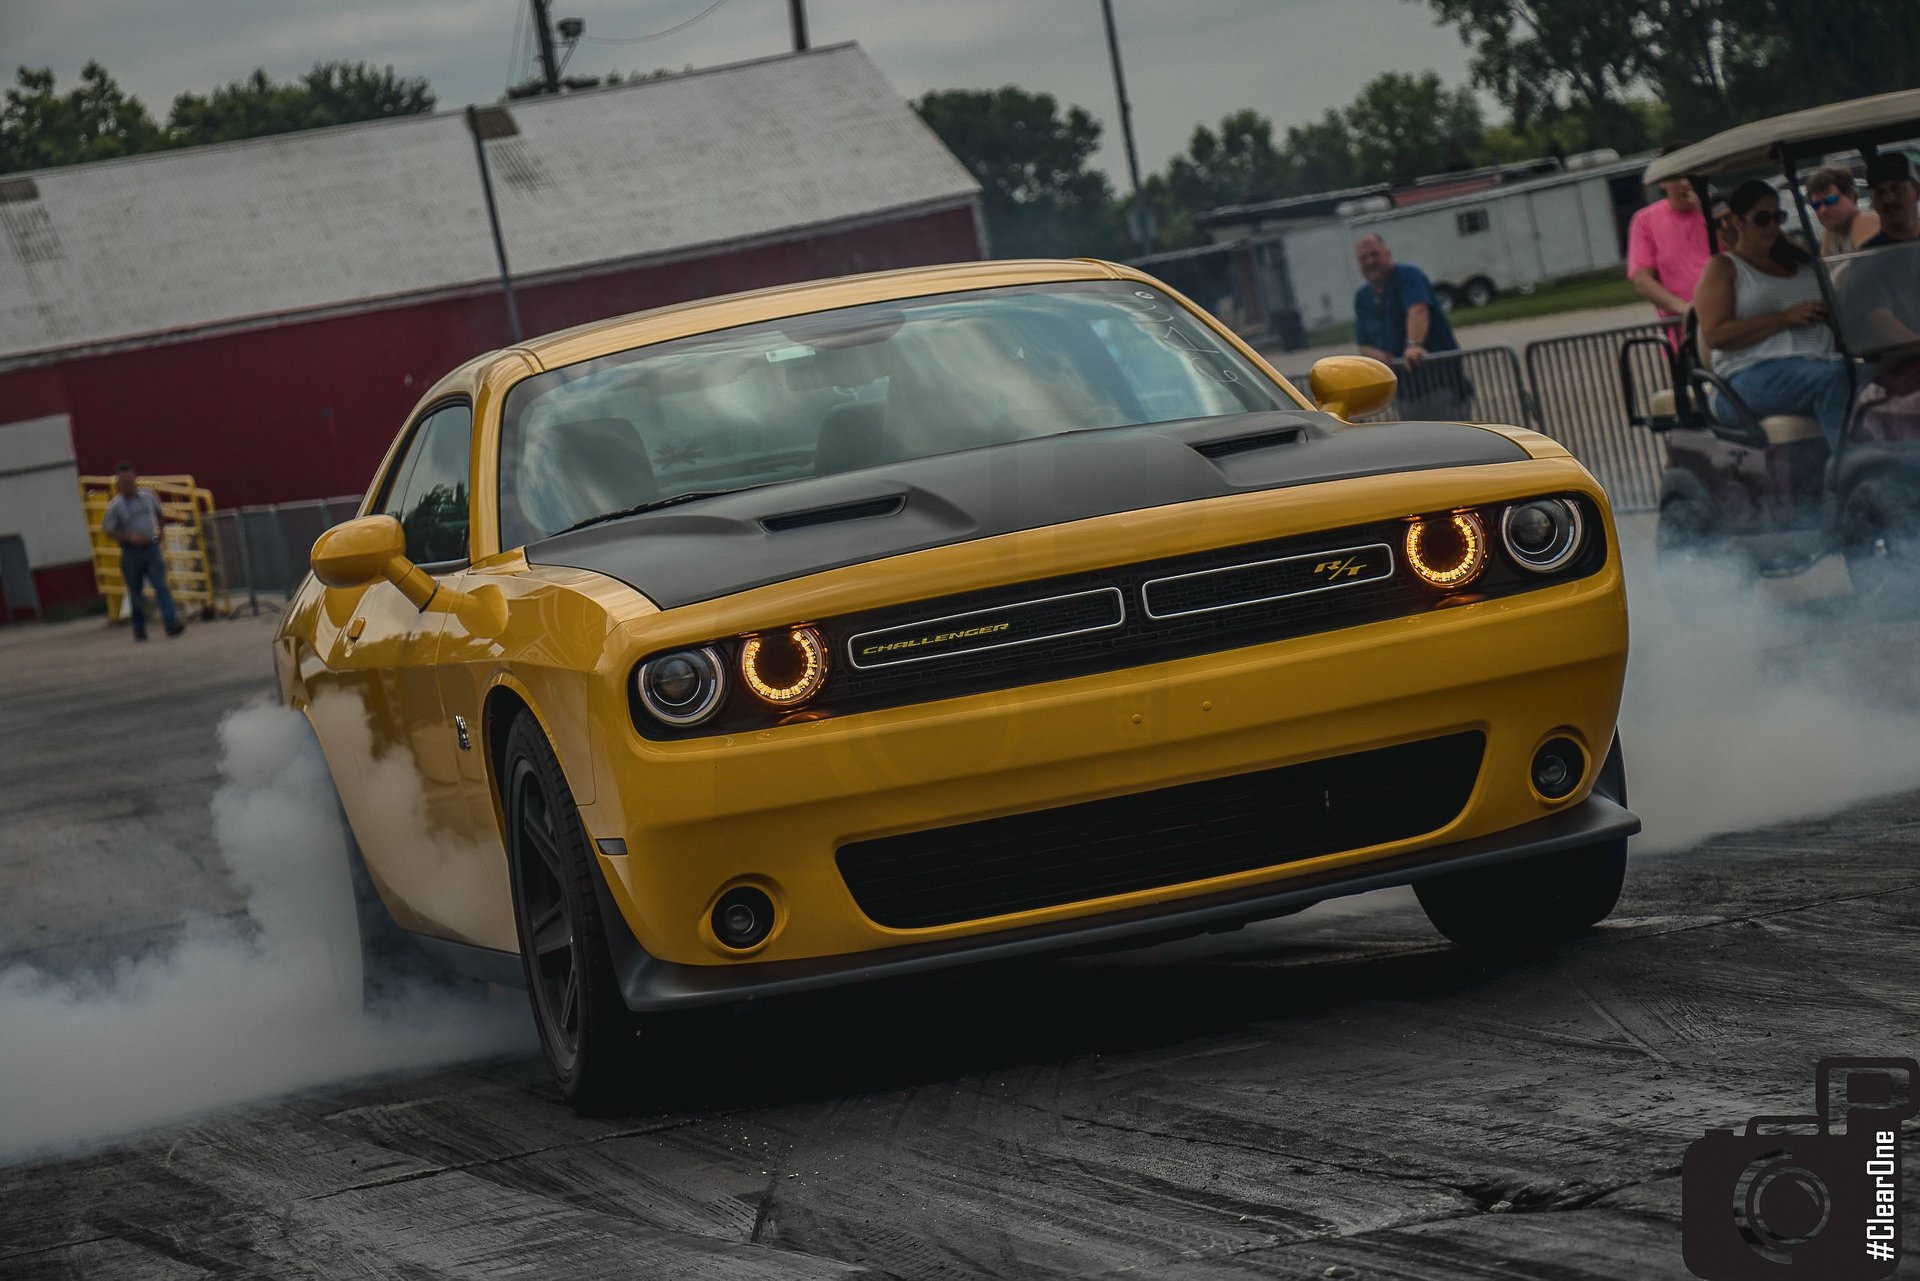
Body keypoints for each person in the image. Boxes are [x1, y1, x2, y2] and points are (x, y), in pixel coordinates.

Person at [1694, 180, 1852, 450]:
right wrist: (1784, 318)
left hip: (1820, 362)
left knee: (1880, 375)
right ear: (1738, 221)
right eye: (1762, 219)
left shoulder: (1803, 263)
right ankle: (1852, 473)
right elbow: (1715, 334)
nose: (1772, 227)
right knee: (1835, 379)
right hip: (1747, 376)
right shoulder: (1724, 268)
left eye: (1777, 217)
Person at [1351, 233, 1470, 420]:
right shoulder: (1362, 297)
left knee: (1452, 442)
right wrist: (1376, 357)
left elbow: (1418, 309)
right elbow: (1363, 343)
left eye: (1374, 254)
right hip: (1404, 393)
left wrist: (1413, 345)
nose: (1370, 261)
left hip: (1440, 383)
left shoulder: (1408, 276)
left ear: (1388, 254)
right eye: (1363, 258)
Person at [1627, 145, 1713, 326]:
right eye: (1677, 176)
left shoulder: (1719, 211)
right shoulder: (1645, 221)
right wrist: (1685, 309)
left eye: (1691, 175)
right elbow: (1642, 279)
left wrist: (1707, 213)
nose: (1685, 183)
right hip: (1683, 330)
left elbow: (1740, 251)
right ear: (1662, 181)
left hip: (1726, 320)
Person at [100, 461, 185, 641]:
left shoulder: (148, 496)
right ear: (118, 484)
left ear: (135, 479)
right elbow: (108, 530)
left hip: (151, 548)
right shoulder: (116, 506)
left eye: (130, 481)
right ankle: (139, 628)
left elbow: (159, 513)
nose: (128, 485)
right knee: (135, 592)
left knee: (160, 586)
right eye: (123, 482)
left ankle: (171, 623)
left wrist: (160, 532)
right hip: (131, 553)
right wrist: (128, 537)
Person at [1805, 166, 1879, 256]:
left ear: (1850, 196)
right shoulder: (1831, 232)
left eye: (1830, 200)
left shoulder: (1865, 221)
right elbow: (1827, 268)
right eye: (1816, 205)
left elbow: (1863, 266)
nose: (1823, 210)